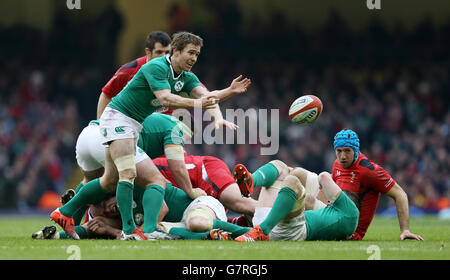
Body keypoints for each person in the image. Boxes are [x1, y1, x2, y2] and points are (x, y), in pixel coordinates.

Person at [50, 113, 206, 240]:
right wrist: (191, 192)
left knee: (99, 182)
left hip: (89, 134)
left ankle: (69, 222)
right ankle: (142, 231)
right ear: (186, 129)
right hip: (114, 137)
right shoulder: (175, 128)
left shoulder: (155, 120)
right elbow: (177, 167)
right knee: (155, 180)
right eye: (187, 139)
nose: (184, 145)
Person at [331, 129, 424, 241]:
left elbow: (400, 194)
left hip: (350, 233)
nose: (342, 156)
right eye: (339, 151)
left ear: (355, 151)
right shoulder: (337, 164)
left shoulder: (369, 171)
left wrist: (405, 230)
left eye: (347, 151)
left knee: (320, 179)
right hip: (333, 218)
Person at [97, 31, 172, 119]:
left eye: (167, 52)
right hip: (135, 125)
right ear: (148, 52)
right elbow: (106, 94)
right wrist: (100, 123)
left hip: (165, 125)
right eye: (159, 52)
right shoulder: (129, 70)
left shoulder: (177, 69)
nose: (164, 57)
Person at [153, 155, 257, 216]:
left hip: (204, 170)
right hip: (195, 198)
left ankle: (271, 214)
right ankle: (239, 222)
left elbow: (162, 208)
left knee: (238, 202)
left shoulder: (142, 170)